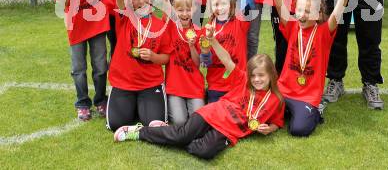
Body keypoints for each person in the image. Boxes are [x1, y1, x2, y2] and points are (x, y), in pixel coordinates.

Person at [113, 51, 284, 159]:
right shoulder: (244, 80)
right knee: (182, 135)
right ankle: (138, 132)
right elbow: (226, 59)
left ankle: (170, 133)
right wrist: (213, 40)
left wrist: (270, 129)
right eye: (253, 75)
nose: (257, 80)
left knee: (205, 152)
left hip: (228, 131)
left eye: (261, 75)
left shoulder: (277, 100)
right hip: (212, 114)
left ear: (271, 75)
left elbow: (277, 122)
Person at [270, 0, 361, 136]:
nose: (302, 15)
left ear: (318, 13)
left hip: (307, 96)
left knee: (299, 130)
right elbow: (280, 4)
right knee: (261, 113)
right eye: (300, 10)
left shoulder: (323, 32)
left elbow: (337, 12)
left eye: (308, 11)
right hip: (283, 90)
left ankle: (313, 111)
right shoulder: (292, 25)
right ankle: (288, 111)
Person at [104, 0, 172, 131]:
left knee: (155, 125)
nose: (141, 1)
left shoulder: (160, 23)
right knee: (116, 124)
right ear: (129, 1)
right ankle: (133, 107)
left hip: (150, 83)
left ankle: (139, 109)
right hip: (124, 82)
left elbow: (166, 57)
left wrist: (153, 57)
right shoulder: (125, 17)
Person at [200, 0, 263, 103]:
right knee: (215, 119)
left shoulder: (239, 22)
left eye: (223, 4)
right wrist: (206, 50)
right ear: (211, 7)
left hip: (237, 83)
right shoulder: (207, 29)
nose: (220, 8)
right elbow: (205, 63)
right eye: (216, 4)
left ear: (232, 5)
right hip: (216, 85)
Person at [160, 0, 205, 125]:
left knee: (196, 120)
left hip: (194, 85)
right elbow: (165, 5)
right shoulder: (171, 27)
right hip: (175, 85)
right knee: (180, 121)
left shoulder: (199, 31)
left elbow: (198, 63)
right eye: (180, 10)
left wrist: (192, 46)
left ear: (194, 10)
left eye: (188, 10)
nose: (184, 14)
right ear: (175, 10)